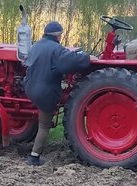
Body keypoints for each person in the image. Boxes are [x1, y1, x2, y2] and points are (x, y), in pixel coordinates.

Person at [23, 21, 91, 165]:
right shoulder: (56, 49)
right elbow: (74, 62)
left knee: (43, 114)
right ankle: (34, 157)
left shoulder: (36, 46)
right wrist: (85, 57)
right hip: (44, 92)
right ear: (58, 35)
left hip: (29, 87)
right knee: (44, 125)